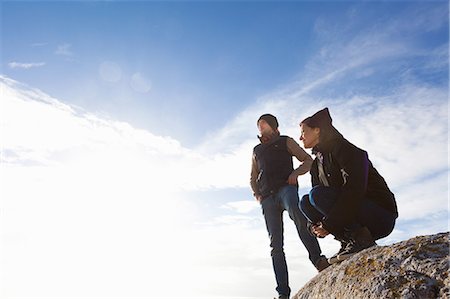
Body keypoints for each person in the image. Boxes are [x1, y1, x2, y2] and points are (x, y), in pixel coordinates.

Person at [299, 107, 398, 264]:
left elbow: (354, 191)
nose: (300, 137)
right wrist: (314, 226)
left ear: (317, 130)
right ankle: (349, 240)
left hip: (380, 215)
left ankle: (362, 239)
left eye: (303, 132)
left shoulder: (345, 149)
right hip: (354, 214)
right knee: (305, 202)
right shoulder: (316, 164)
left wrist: (329, 224)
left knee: (316, 195)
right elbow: (316, 204)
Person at [250, 114, 329, 299]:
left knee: (300, 220)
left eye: (264, 123)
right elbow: (252, 176)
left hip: (286, 189)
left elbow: (307, 161)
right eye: (258, 125)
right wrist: (257, 194)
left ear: (274, 126)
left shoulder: (286, 141)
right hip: (267, 199)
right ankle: (283, 293)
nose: (260, 126)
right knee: (275, 245)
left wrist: (295, 173)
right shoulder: (257, 149)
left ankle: (318, 260)